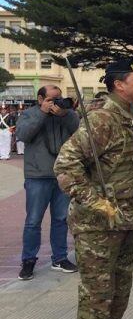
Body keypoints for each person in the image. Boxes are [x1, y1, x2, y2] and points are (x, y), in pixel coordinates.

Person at [54, 59, 133, 319]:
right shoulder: (101, 120)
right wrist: (99, 203)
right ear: (119, 85)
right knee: (98, 293)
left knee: (119, 292)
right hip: (97, 225)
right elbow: (66, 167)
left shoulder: (131, 115)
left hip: (125, 219)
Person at [16, 85, 80, 280]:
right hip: (37, 175)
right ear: (40, 99)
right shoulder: (29, 114)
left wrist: (64, 114)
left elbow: (78, 131)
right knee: (33, 221)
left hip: (62, 173)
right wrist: (42, 114)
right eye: (52, 99)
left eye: (58, 98)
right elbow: (23, 135)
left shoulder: (65, 113)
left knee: (61, 219)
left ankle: (60, 258)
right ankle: (28, 261)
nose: (56, 102)